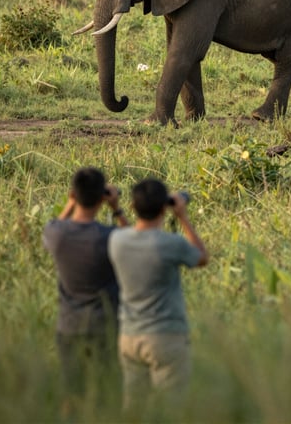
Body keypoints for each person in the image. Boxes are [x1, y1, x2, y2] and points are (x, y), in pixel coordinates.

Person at [108, 178, 209, 417]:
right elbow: (201, 257)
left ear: (133, 207)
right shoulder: (171, 244)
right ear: (165, 207)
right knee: (171, 409)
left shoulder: (116, 241)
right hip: (165, 337)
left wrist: (116, 209)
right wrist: (183, 217)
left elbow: (128, 232)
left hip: (129, 337)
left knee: (133, 407)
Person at [42, 166, 129, 419]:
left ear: (73, 194)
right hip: (106, 325)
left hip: (69, 326)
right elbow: (134, 240)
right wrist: (117, 209)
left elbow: (55, 225)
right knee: (108, 391)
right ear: (103, 196)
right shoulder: (110, 237)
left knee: (71, 392)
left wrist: (70, 204)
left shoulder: (57, 235)